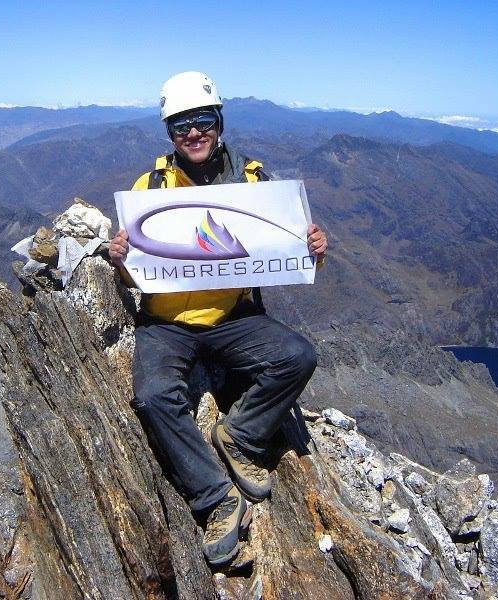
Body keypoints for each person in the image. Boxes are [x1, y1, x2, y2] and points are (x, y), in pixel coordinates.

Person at [109, 72, 327, 567]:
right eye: (180, 125)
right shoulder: (152, 187)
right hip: (165, 322)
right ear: (169, 133)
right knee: (151, 396)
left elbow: (290, 250)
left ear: (219, 120)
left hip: (229, 317)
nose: (193, 132)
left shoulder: (253, 182)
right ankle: (214, 496)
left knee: (297, 357)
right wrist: (120, 256)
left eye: (202, 120)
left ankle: (240, 435)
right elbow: (133, 273)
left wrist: (315, 250)